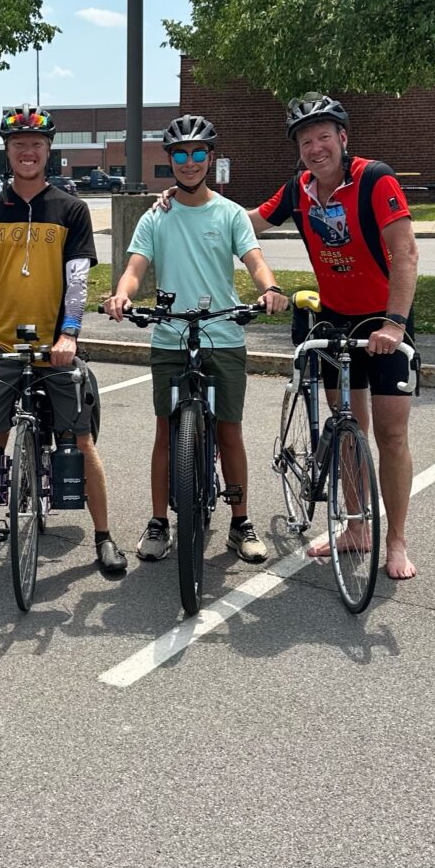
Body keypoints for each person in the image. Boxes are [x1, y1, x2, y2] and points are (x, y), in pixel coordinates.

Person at [0, 105, 127, 573]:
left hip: (54, 346)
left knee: (79, 441)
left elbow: (78, 281)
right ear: (7, 151)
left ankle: (104, 537)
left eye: (36, 145)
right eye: (18, 144)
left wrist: (69, 335)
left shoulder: (71, 208)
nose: (28, 152)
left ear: (48, 151)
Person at [104, 114, 289, 564]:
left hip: (223, 334)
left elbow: (254, 259)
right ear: (170, 160)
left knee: (229, 431)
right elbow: (133, 269)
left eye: (198, 153)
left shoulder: (228, 214)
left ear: (210, 158)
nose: (190, 162)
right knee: (165, 432)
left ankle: (240, 522)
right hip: (170, 335)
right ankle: (157, 522)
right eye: (181, 155)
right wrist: (120, 296)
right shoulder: (157, 215)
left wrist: (269, 287)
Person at [249, 92, 419, 579]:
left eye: (324, 136)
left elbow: (405, 254)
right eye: (306, 140)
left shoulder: (374, 179)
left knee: (391, 433)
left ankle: (397, 540)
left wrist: (395, 325)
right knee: (347, 430)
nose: (316, 147)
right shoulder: (298, 189)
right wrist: (185, 198)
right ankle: (355, 528)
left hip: (385, 321)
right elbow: (246, 222)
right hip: (335, 319)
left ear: (342, 139)